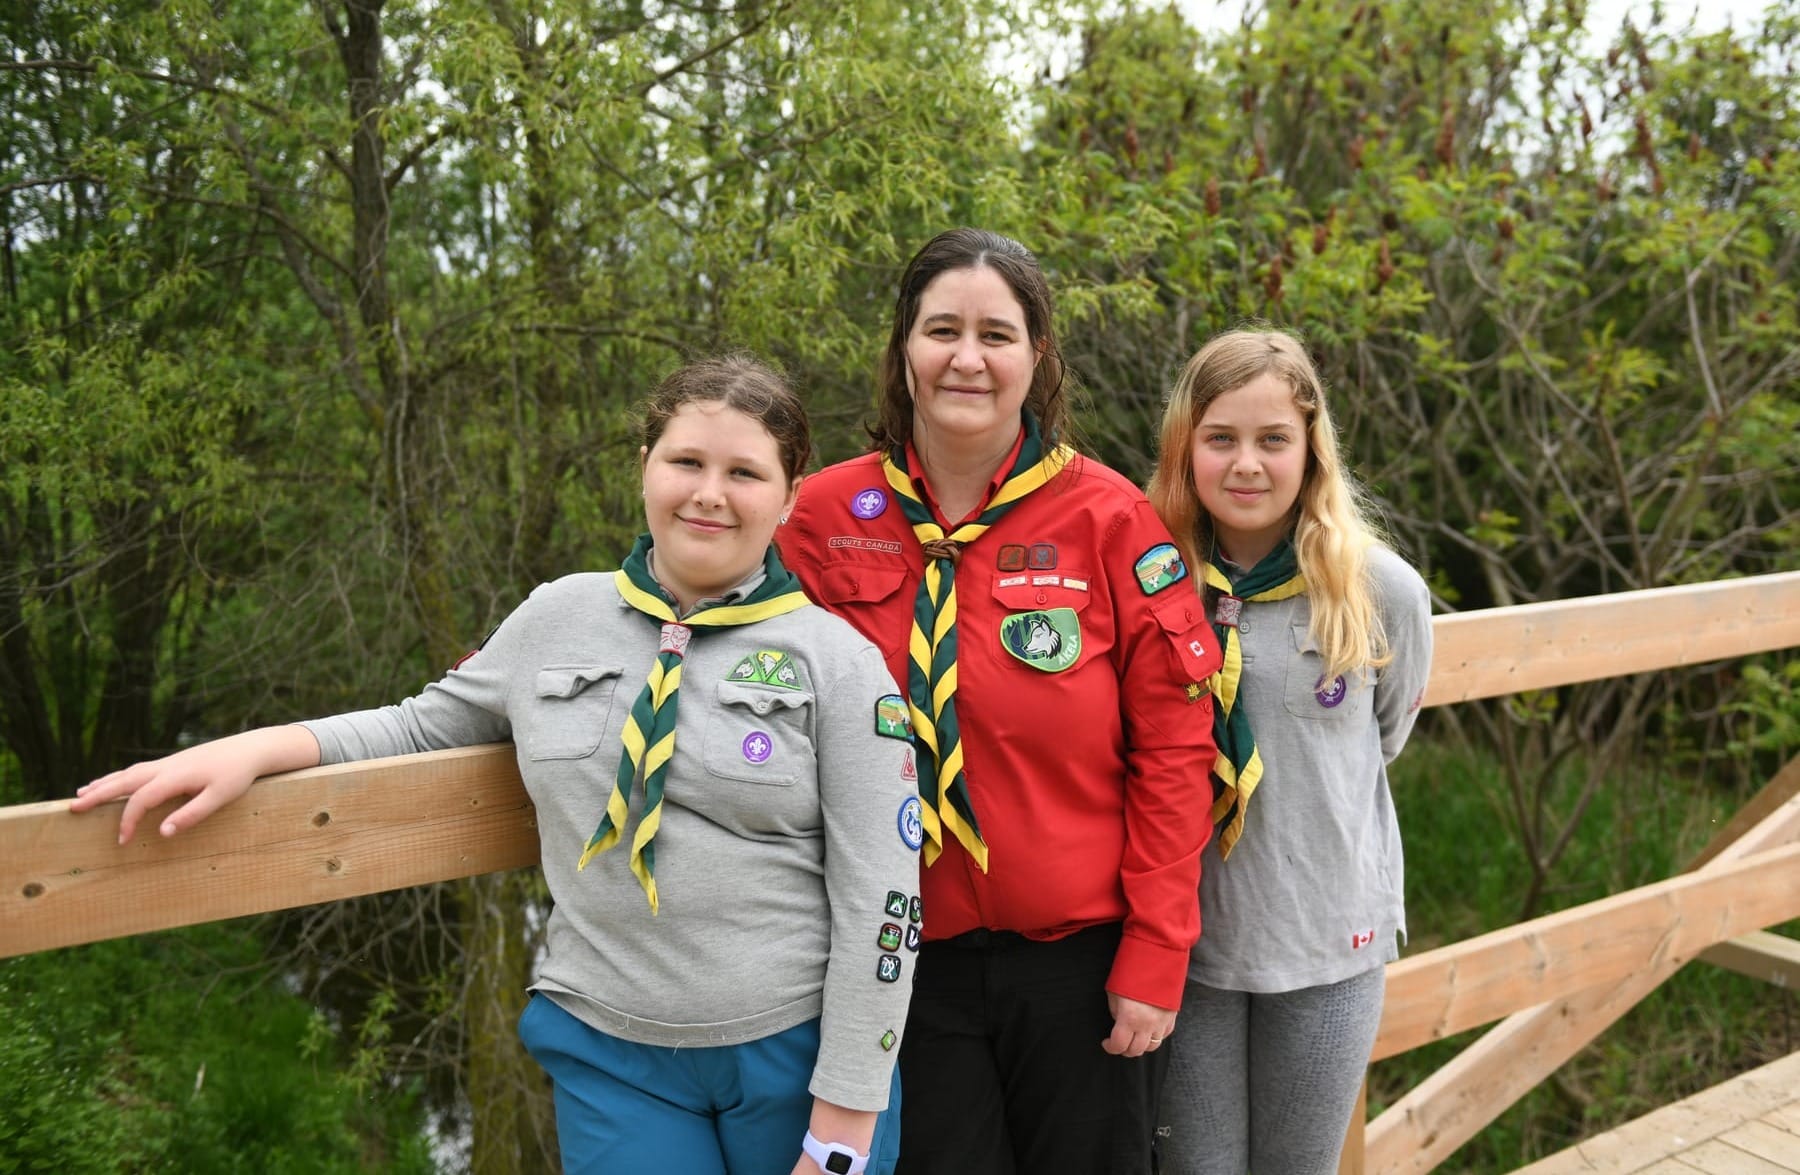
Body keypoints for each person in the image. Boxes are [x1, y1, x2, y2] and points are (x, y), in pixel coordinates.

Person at [71, 355, 921, 1175]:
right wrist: (253, 748)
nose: (708, 492)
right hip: (610, 1052)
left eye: (744, 473)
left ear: (789, 496)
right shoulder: (556, 615)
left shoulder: (837, 661)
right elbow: (419, 726)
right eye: (686, 461)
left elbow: (884, 895)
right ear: (644, 467)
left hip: (789, 1051)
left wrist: (846, 1113)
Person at [778, 228, 1222, 1174]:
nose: (967, 359)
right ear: (905, 347)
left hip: (1084, 964)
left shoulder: (1110, 518)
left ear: (1038, 355)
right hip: (893, 960)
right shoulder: (820, 517)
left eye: (996, 335)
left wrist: (1157, 948)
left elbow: (1177, 747)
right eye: (942, 330)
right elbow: (718, 632)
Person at [1145, 328, 1434, 1175]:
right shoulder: (1150, 579)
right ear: (1186, 445)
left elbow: (1382, 738)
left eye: (1273, 439)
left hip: (1324, 937)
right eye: (1221, 438)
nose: (1247, 464)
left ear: (1311, 450)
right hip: (1187, 944)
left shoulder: (1378, 589)